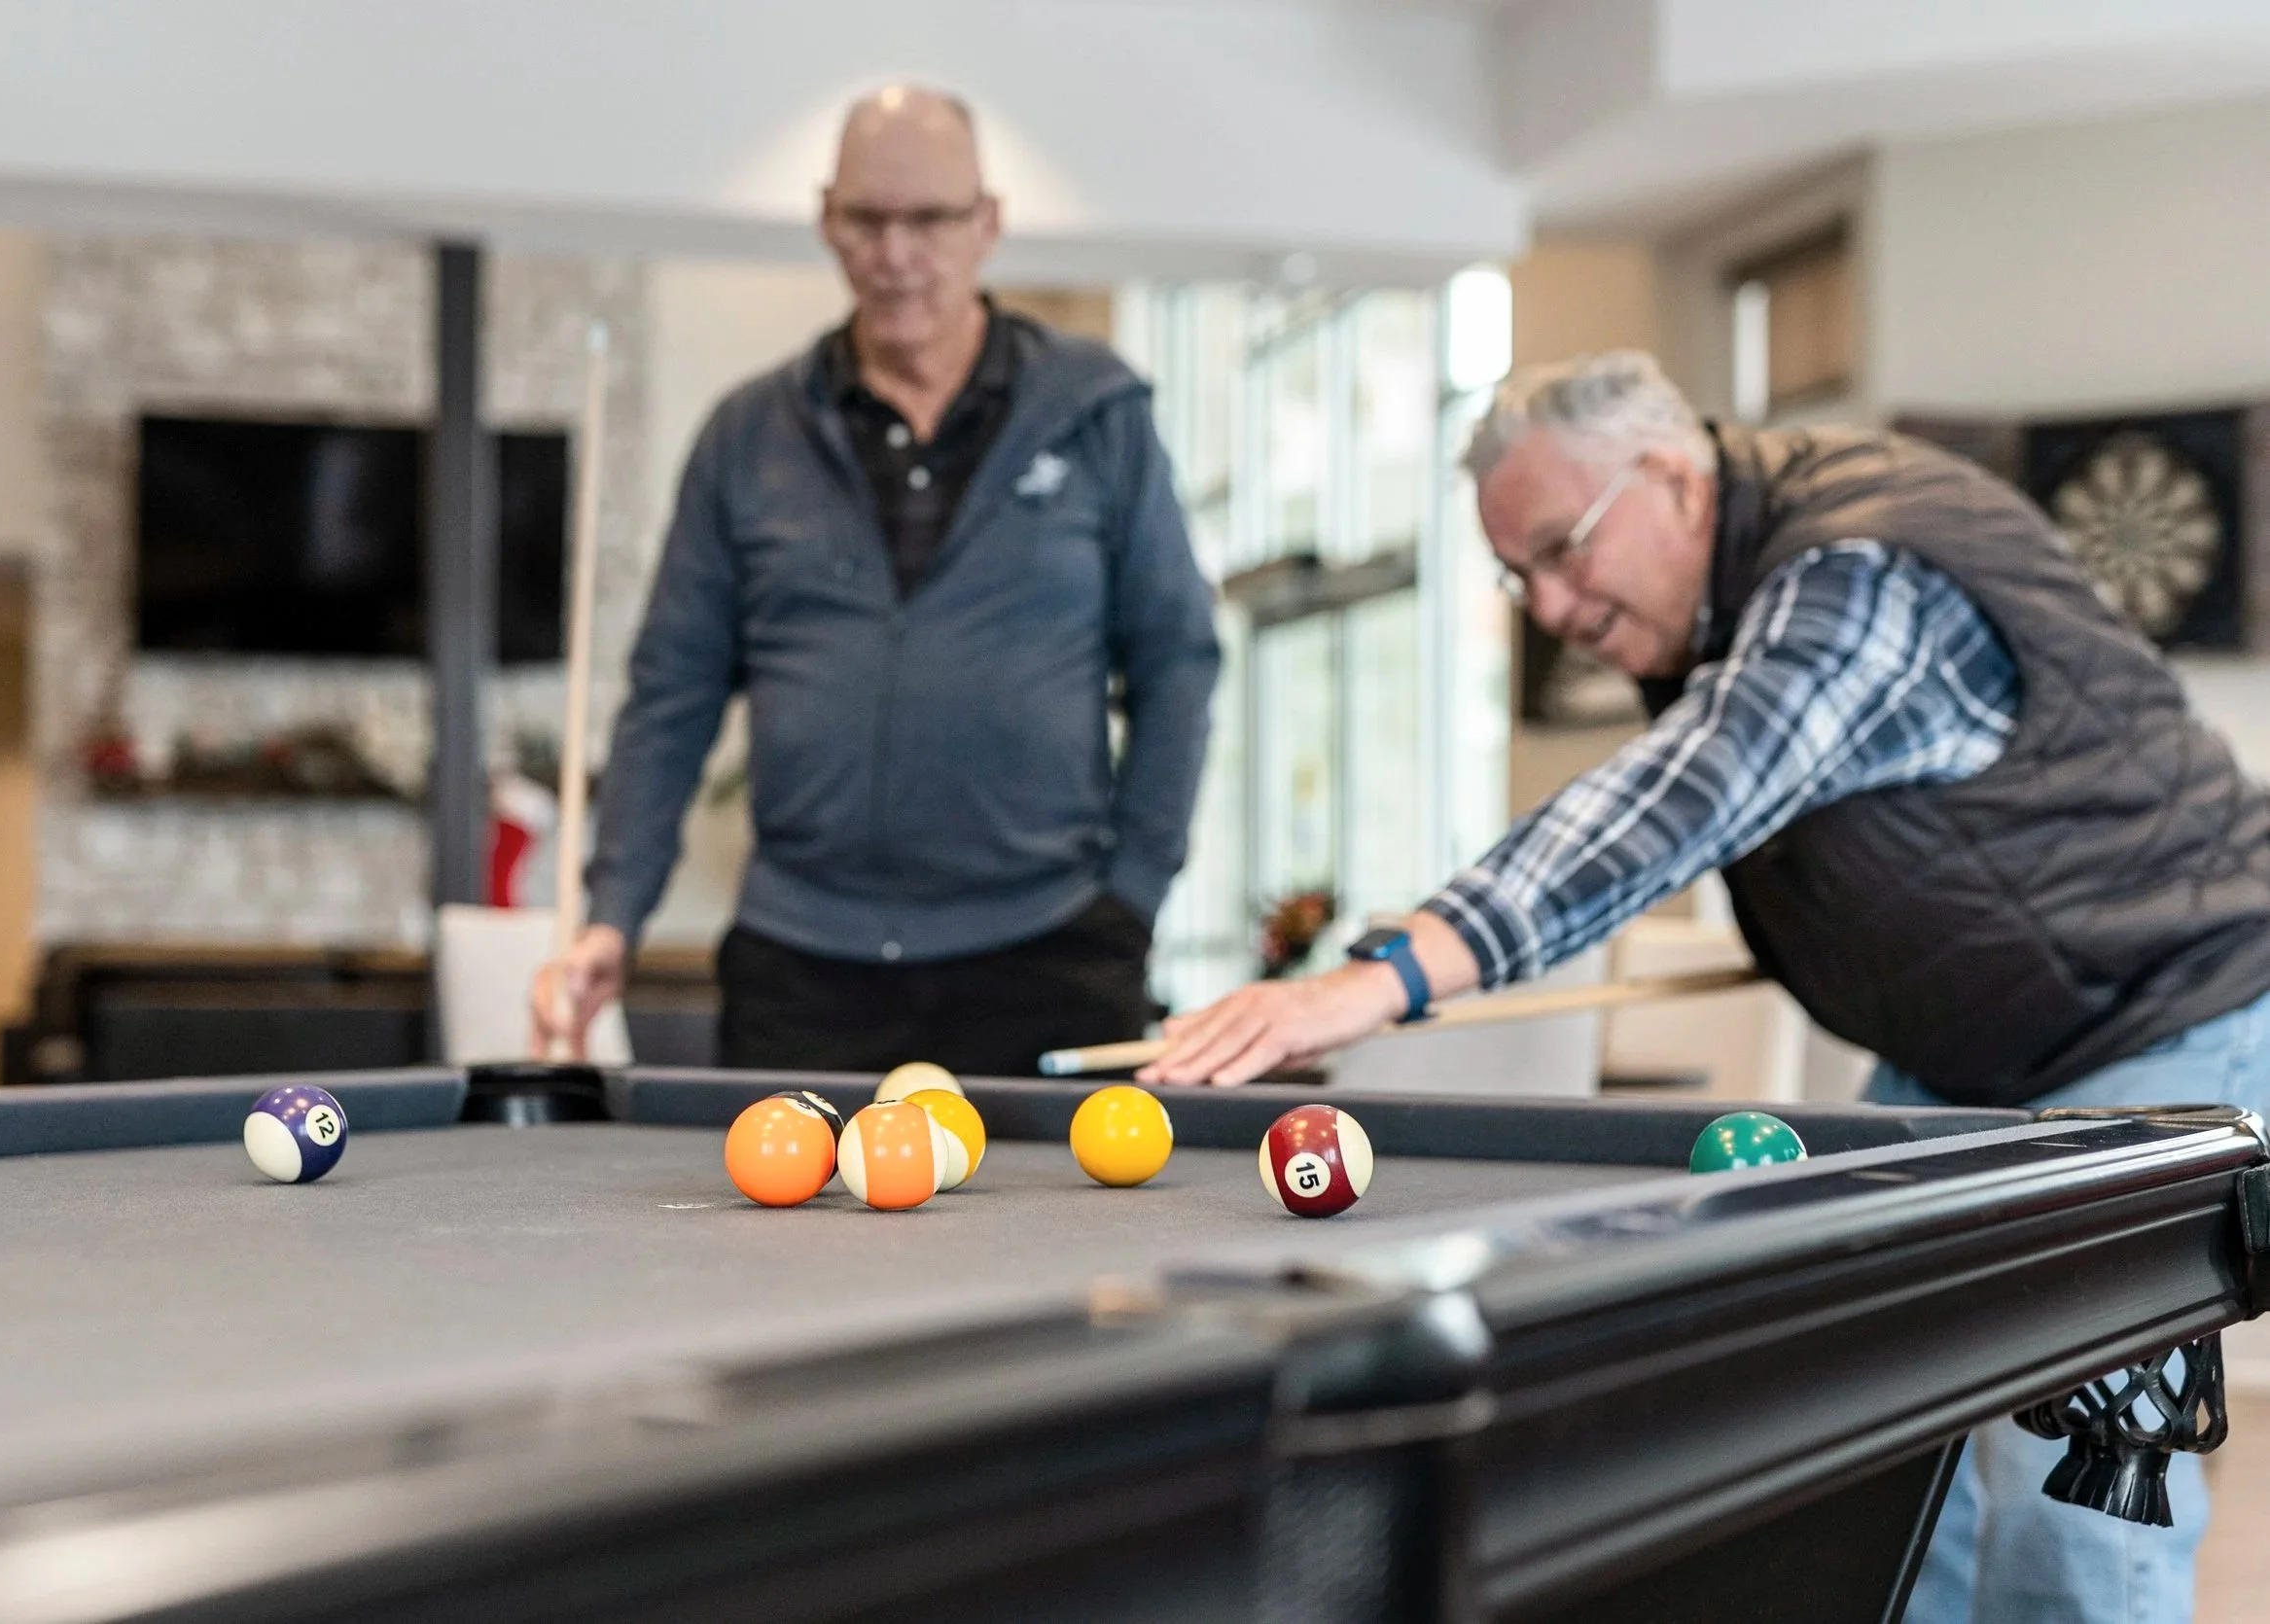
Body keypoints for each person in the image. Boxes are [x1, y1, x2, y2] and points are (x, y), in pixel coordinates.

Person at [1141, 350, 2270, 1624]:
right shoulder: (1726, 582)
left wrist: (1383, 974)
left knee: (2072, 1487)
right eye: (1520, 574)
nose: (1551, 605)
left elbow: (1689, 793)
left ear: (1672, 478)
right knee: (1904, 1444)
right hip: (1971, 1053)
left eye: (1563, 551)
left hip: (2157, 1017)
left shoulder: (1862, 567)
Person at [533, 87, 1218, 1077]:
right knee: (772, 1234)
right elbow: (670, 694)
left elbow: (1178, 662)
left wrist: (1136, 889)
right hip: (804, 969)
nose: (896, 253)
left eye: (929, 218)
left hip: (1049, 952)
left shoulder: (1098, 412)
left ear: (987, 224)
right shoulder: (746, 437)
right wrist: (613, 915)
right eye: (867, 218)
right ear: (827, 220)